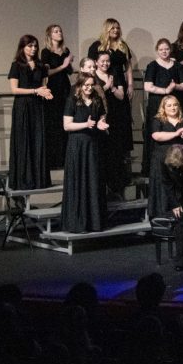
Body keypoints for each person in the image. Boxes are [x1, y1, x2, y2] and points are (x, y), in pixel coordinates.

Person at [61, 74, 109, 233]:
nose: (89, 88)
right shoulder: (72, 101)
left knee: (93, 180)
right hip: (77, 146)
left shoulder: (97, 100)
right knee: (79, 181)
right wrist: (85, 124)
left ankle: (94, 223)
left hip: (93, 145)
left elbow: (101, 119)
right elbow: (67, 126)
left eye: (91, 85)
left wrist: (102, 124)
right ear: (79, 86)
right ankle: (77, 223)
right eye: (86, 85)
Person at [8, 35, 53, 189]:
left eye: (35, 46)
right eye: (30, 46)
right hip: (23, 106)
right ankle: (23, 180)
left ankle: (39, 180)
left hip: (37, 106)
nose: (33, 49)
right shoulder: (17, 65)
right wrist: (35, 91)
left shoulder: (41, 66)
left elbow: (45, 86)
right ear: (23, 47)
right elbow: (14, 89)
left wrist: (47, 93)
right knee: (24, 140)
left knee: (38, 140)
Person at [147, 96, 183, 219]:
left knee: (181, 184)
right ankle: (162, 215)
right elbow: (156, 136)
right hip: (162, 158)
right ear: (163, 108)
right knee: (163, 184)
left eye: (175, 105)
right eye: (169, 105)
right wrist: (176, 134)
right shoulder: (158, 120)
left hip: (180, 158)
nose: (172, 108)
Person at [142, 39, 183, 179]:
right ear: (157, 50)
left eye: (166, 49)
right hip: (157, 104)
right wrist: (166, 90)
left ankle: (177, 164)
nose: (164, 52)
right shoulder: (152, 66)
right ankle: (154, 168)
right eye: (161, 49)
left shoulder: (177, 66)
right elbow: (147, 86)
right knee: (156, 132)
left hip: (174, 105)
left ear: (170, 50)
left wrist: (174, 87)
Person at [95, 51, 131, 197]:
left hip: (115, 115)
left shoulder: (114, 74)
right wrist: (105, 87)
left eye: (107, 61)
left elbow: (122, 96)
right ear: (96, 62)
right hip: (100, 115)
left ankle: (116, 186)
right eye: (102, 61)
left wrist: (112, 87)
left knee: (115, 150)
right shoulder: (92, 76)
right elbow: (91, 95)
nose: (105, 63)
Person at [40, 24, 73, 169]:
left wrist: (69, 63)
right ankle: (53, 160)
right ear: (50, 35)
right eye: (56, 31)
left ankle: (65, 158)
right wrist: (63, 65)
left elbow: (69, 71)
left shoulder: (65, 50)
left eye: (60, 30)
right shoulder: (46, 52)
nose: (59, 33)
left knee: (65, 120)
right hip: (53, 88)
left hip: (64, 87)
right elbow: (46, 73)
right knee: (53, 121)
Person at [86, 18, 134, 104]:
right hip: (102, 81)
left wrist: (130, 85)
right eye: (113, 28)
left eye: (118, 28)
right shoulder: (97, 45)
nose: (116, 30)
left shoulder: (123, 46)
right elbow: (90, 66)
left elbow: (128, 66)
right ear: (107, 29)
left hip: (120, 82)